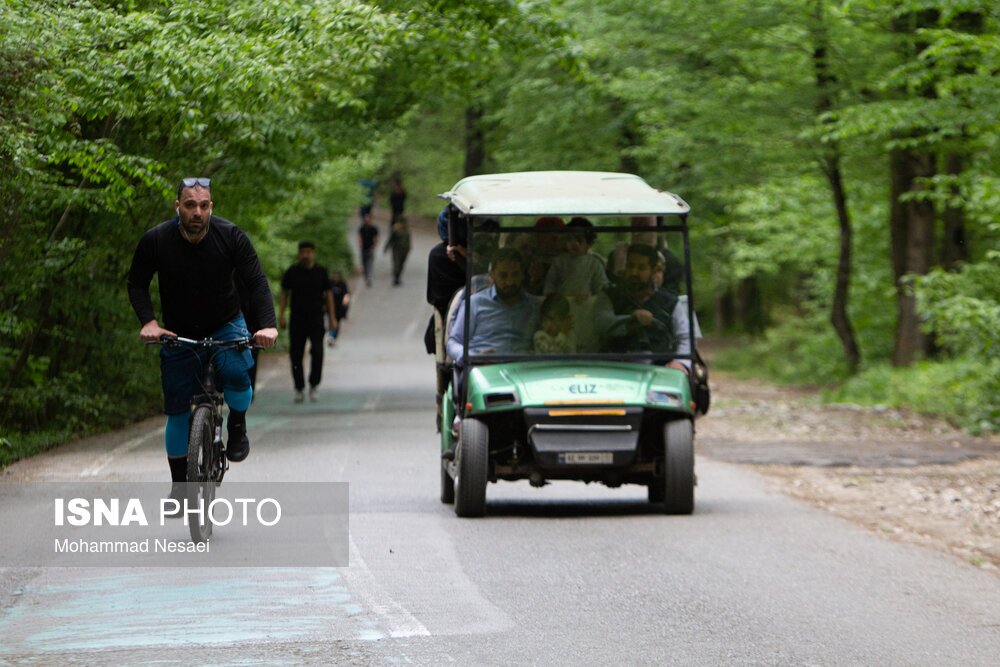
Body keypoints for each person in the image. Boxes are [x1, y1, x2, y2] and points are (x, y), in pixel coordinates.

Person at [126, 177, 278, 506]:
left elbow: (256, 281)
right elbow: (137, 283)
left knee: (238, 374)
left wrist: (267, 325)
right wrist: (149, 322)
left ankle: (237, 424)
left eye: (204, 205)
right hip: (179, 330)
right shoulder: (156, 240)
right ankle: (180, 488)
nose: (198, 212)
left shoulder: (231, 236)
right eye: (191, 205)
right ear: (177, 206)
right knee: (177, 408)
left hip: (225, 323)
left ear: (212, 207)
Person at [594, 243, 690, 373]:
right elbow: (602, 323)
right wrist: (631, 319)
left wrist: (681, 363)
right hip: (614, 368)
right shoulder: (609, 296)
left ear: (653, 270)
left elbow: (685, 337)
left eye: (641, 268)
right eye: (631, 266)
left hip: (660, 370)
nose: (634, 272)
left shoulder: (670, 302)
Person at [447, 247, 541, 363]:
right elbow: (453, 343)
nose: (510, 282)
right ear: (492, 275)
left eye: (515, 274)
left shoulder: (535, 306)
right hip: (481, 368)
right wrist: (472, 357)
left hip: (524, 370)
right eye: (503, 275)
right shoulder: (475, 303)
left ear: (522, 274)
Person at [279, 241, 336, 403]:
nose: (305, 255)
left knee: (317, 352)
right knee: (296, 354)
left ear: (313, 253)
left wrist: (332, 318)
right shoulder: (292, 272)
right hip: (297, 319)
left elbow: (329, 295)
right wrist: (281, 315)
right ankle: (299, 387)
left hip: (317, 318)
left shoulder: (321, 272)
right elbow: (284, 293)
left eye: (308, 252)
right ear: (299, 253)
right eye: (302, 252)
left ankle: (314, 384)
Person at [383, 215, 411, 286]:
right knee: (396, 264)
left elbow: (408, 240)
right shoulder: (395, 229)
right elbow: (390, 239)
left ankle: (398, 277)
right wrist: (386, 248)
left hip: (404, 250)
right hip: (396, 250)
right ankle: (396, 278)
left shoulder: (407, 229)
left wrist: (409, 248)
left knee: (402, 264)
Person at [327, 269, 351, 346]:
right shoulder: (330, 284)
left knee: (337, 323)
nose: (336, 277)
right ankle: (331, 336)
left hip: (339, 308)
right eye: (335, 276)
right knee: (331, 321)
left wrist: (345, 305)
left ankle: (333, 337)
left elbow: (346, 295)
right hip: (330, 307)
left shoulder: (342, 284)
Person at [358, 213, 379, 287]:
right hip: (363, 248)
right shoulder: (362, 228)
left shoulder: (373, 228)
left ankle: (369, 277)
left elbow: (376, 238)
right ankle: (366, 276)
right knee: (364, 263)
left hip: (370, 248)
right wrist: (360, 244)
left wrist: (374, 245)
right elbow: (359, 237)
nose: (366, 221)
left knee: (369, 263)